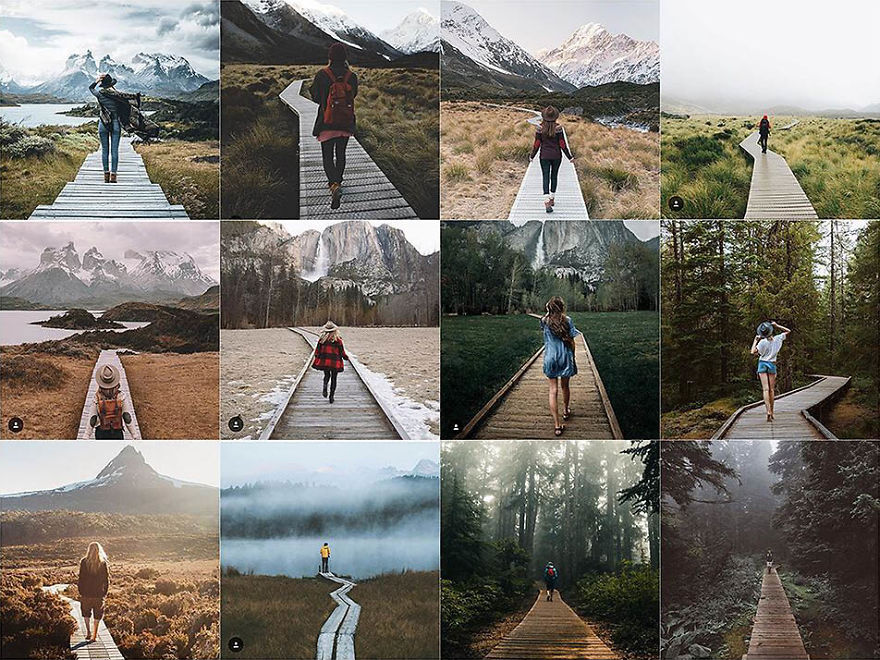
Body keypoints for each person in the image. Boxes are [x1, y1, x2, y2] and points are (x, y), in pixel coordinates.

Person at [310, 42, 358, 210]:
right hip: (345, 123)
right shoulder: (351, 76)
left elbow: (315, 96)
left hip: (326, 122)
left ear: (329, 57)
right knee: (341, 154)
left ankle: (333, 184)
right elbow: (354, 96)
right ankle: (338, 181)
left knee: (327, 156)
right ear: (345, 57)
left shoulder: (322, 74)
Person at [89, 74, 140, 183]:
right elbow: (128, 104)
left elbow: (91, 88)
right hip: (116, 124)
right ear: (111, 84)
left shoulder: (100, 94)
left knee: (105, 151)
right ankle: (114, 176)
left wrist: (97, 80)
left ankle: (106, 175)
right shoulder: (117, 96)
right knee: (114, 151)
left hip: (103, 123)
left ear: (103, 85)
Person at [540, 297, 581, 436]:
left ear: (549, 308)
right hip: (564, 357)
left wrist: (548, 311)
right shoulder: (567, 320)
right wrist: (573, 357)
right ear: (562, 308)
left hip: (550, 358)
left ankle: (557, 426)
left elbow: (546, 319)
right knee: (565, 386)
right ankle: (566, 410)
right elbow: (572, 342)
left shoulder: (544, 321)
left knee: (553, 390)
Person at [530, 106, 574, 213]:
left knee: (546, 176)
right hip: (556, 156)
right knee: (554, 176)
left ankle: (546, 201)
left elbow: (537, 144)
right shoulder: (558, 129)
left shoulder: (540, 129)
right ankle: (552, 198)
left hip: (544, 156)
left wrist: (532, 156)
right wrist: (570, 157)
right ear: (555, 117)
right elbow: (562, 144)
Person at [750, 320, 791, 422]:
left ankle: (768, 411)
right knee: (771, 390)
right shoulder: (778, 339)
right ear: (771, 331)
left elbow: (752, 352)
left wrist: (755, 340)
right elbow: (788, 331)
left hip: (762, 364)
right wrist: (777, 325)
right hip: (772, 364)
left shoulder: (762, 342)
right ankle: (772, 412)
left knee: (765, 389)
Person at [89, 364, 132, 439]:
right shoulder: (121, 396)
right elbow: (127, 417)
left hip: (101, 433)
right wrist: (135, 436)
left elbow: (92, 418)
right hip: (117, 432)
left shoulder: (97, 396)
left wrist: (86, 436)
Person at [77, 542, 109, 643]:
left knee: (86, 613)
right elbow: (106, 580)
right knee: (97, 614)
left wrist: (80, 590)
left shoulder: (84, 562)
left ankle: (88, 632)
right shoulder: (103, 563)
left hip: (86, 593)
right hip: (98, 594)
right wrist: (105, 592)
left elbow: (81, 578)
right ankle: (94, 635)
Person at [312, 322, 348, 404]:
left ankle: (325, 387)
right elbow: (342, 352)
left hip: (325, 361)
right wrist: (346, 357)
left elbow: (317, 350)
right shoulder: (338, 340)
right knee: (334, 378)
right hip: (335, 362)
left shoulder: (322, 340)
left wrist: (317, 356)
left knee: (326, 375)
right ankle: (331, 397)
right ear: (335, 331)